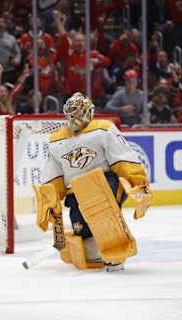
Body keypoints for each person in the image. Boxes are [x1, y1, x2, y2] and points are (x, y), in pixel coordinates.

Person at [34, 92, 152, 272]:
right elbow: (54, 176)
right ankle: (95, 252)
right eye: (71, 113)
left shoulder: (103, 128)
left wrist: (138, 182)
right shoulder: (57, 140)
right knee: (83, 232)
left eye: (77, 112)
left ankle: (114, 252)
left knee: (101, 208)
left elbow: (122, 159)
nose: (74, 117)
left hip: (105, 184)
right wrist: (50, 200)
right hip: (76, 192)